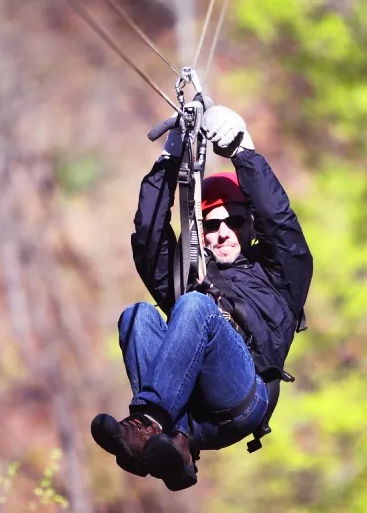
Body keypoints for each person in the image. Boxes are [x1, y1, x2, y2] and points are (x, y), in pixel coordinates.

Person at [90, 104, 313, 491]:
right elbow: (148, 238)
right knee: (137, 315)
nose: (224, 232)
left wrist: (243, 152)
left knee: (194, 305)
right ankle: (173, 447)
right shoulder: (188, 273)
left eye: (235, 221)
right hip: (190, 412)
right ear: (201, 230)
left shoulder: (278, 275)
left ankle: (148, 424)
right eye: (212, 223)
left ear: (250, 225)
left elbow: (282, 225)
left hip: (244, 394)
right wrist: (168, 160)